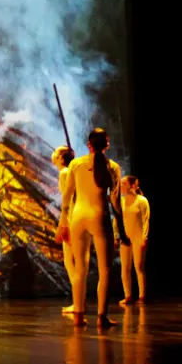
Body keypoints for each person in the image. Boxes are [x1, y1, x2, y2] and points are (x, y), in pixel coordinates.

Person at [57, 128, 123, 327]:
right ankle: (102, 317)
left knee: (80, 270)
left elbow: (67, 197)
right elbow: (116, 202)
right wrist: (121, 229)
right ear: (107, 145)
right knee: (105, 271)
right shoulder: (113, 167)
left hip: (78, 218)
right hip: (99, 218)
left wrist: (63, 223)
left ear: (88, 145)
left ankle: (78, 315)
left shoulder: (76, 164)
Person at [52, 146, 77, 314]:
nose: (53, 155)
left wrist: (64, 224)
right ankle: (78, 302)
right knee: (74, 263)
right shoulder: (69, 172)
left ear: (61, 158)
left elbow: (68, 201)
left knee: (71, 263)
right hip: (74, 219)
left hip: (72, 221)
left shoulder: (64, 173)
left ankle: (78, 302)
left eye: (57, 152)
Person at [117, 176, 150, 305]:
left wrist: (144, 238)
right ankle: (128, 295)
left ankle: (142, 296)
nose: (121, 185)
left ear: (132, 185)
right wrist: (117, 235)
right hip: (125, 238)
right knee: (124, 268)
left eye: (124, 183)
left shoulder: (142, 201)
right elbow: (117, 220)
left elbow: (145, 220)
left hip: (138, 237)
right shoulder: (121, 201)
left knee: (138, 266)